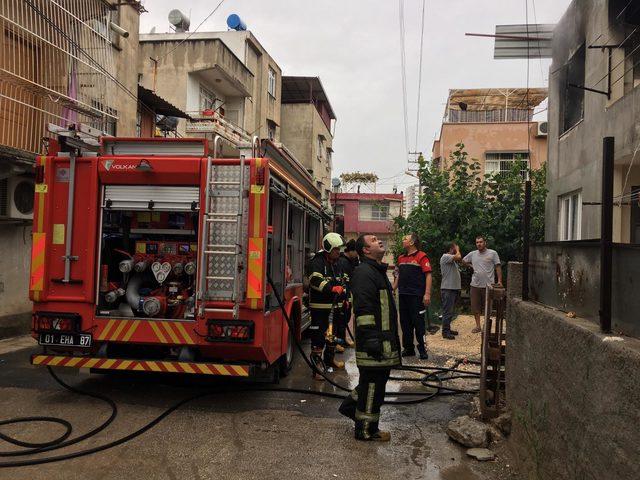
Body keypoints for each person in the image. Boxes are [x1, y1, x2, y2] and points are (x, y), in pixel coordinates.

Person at [338, 234, 400, 442]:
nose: (379, 241)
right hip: (374, 343)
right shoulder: (365, 273)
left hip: (381, 341)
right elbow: (364, 310)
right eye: (373, 240)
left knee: (374, 383)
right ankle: (366, 430)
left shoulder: (375, 271)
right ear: (365, 250)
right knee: (373, 386)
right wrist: (373, 340)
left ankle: (350, 407)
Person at [307, 232, 347, 380]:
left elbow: (342, 280)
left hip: (335, 306)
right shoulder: (316, 262)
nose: (339, 251)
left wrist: (345, 297)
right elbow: (315, 281)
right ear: (328, 248)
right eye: (336, 249)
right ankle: (317, 368)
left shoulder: (337, 263)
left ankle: (329, 360)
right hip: (320, 308)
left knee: (332, 335)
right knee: (318, 337)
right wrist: (331, 288)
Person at [393, 233, 432, 360]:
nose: (403, 240)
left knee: (419, 324)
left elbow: (428, 275)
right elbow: (398, 275)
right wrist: (393, 288)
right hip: (403, 295)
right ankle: (408, 348)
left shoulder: (422, 256)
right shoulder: (401, 258)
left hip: (416, 296)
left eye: (405, 238)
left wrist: (427, 294)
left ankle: (422, 349)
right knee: (405, 323)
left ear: (411, 242)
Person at [462, 236, 502, 333]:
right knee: (475, 307)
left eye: (480, 242)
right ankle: (478, 326)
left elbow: (497, 266)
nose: (479, 244)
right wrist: (471, 266)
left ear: (485, 243)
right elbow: (463, 261)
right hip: (475, 285)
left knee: (487, 307)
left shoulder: (492, 253)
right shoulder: (473, 254)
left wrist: (500, 280)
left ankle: (486, 326)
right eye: (477, 242)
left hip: (488, 286)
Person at [335, 239, 359, 350]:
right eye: (356, 252)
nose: (357, 255)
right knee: (340, 318)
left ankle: (343, 339)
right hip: (342, 295)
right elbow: (342, 280)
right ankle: (337, 342)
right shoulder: (342, 261)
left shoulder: (352, 261)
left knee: (346, 317)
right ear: (351, 251)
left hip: (349, 293)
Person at [440, 242, 462, 340]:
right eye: (455, 248)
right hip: (448, 289)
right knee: (447, 311)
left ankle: (448, 328)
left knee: (450, 311)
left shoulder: (452, 260)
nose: (456, 249)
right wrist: (457, 249)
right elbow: (459, 256)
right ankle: (445, 332)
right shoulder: (445, 256)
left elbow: (460, 259)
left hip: (453, 289)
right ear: (451, 249)